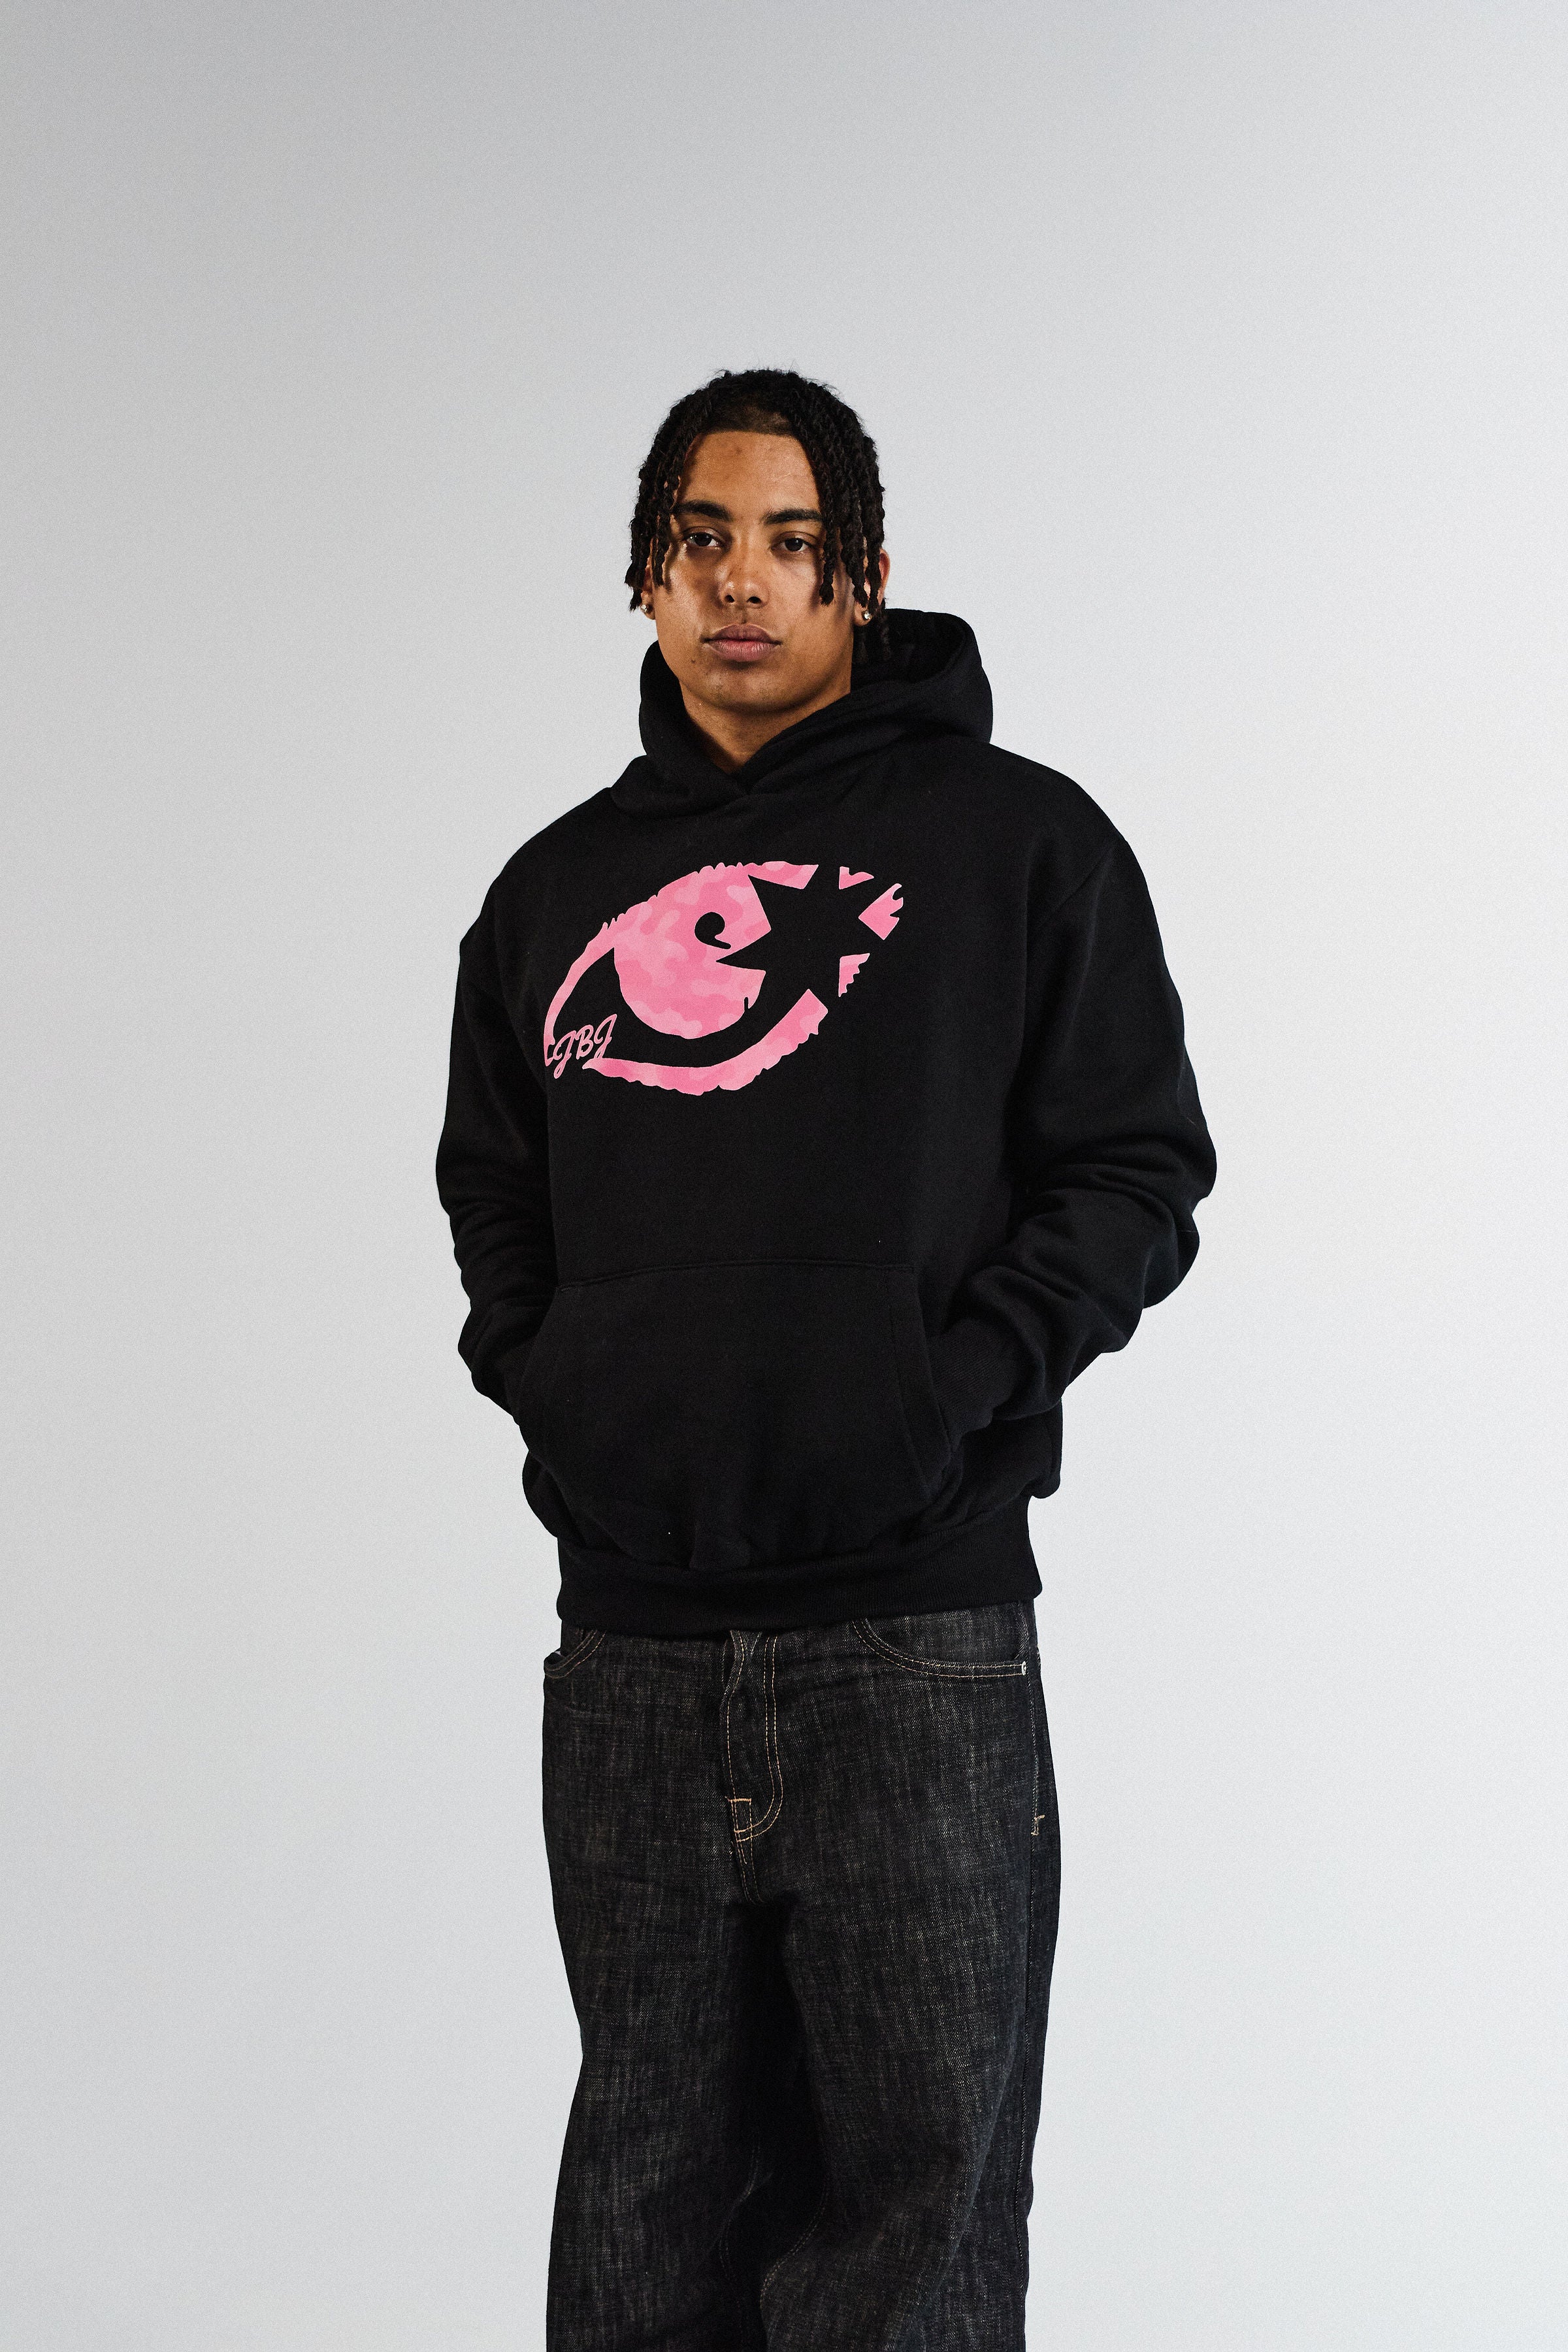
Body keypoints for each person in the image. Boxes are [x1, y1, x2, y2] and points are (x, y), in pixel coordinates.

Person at [436, 367, 1216, 2351]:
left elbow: (1137, 1169)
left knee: (913, 2228)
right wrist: (569, 1393)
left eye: (792, 544)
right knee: (646, 2219)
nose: (743, 586)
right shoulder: (548, 897)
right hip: (633, 1650)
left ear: (862, 574)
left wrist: (945, 1392)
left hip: (916, 1643)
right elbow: (492, 1198)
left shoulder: (1020, 846)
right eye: (701, 542)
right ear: (643, 575)